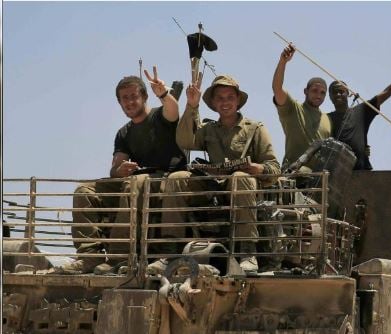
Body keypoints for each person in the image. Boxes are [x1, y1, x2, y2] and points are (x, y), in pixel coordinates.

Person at [54, 67, 186, 274]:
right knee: (84, 191)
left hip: (164, 179)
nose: (130, 102)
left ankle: (119, 255)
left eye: (134, 96)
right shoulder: (124, 133)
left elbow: (173, 110)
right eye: (124, 98)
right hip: (133, 182)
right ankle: (89, 256)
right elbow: (115, 169)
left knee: (135, 183)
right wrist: (120, 170)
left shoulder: (161, 117)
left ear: (144, 96)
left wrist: (163, 94)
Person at [163, 74, 281, 272]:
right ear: (214, 103)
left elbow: (274, 168)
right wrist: (192, 106)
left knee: (241, 178)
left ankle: (247, 252)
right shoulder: (208, 129)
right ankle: (169, 253)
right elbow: (184, 141)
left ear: (237, 100)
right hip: (213, 187)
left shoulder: (255, 129)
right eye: (220, 98)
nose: (225, 102)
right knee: (176, 179)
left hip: (242, 190)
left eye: (230, 97)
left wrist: (255, 169)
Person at [328, 56, 391, 170]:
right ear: (330, 96)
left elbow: (387, 92)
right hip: (337, 173)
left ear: (348, 93)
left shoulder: (362, 110)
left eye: (341, 91)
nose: (338, 94)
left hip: (363, 171)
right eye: (334, 92)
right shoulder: (326, 119)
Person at [271, 43, 331, 170]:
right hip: (293, 175)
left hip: (319, 181)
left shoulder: (328, 119)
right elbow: (277, 88)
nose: (318, 95)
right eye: (315, 90)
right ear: (306, 91)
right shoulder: (293, 109)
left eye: (322, 92)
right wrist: (283, 61)